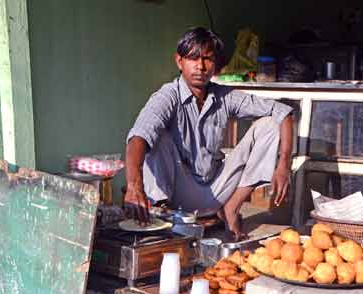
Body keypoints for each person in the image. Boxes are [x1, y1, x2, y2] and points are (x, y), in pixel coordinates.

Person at [124, 27, 293, 241]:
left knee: (269, 125)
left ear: (216, 65)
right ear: (179, 61)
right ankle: (158, 214)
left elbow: (283, 112)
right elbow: (138, 137)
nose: (201, 66)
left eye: (208, 59)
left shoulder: (224, 96)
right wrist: (133, 185)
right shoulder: (167, 96)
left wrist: (284, 164)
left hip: (217, 190)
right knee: (155, 137)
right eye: (193, 58)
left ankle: (231, 208)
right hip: (178, 196)